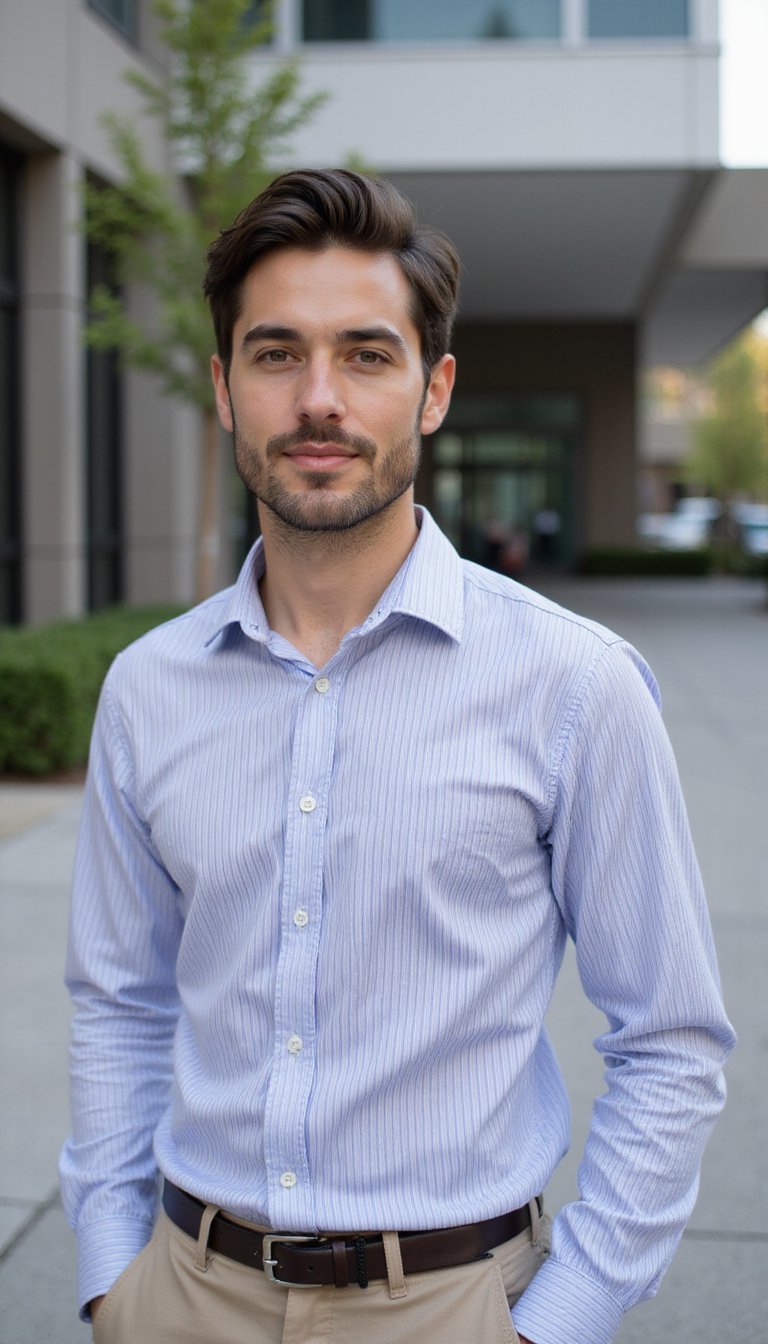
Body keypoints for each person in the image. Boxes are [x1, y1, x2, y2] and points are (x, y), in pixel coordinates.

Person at [60, 169, 735, 1344]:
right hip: (180, 1295)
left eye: (367, 355)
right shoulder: (149, 688)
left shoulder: (572, 684)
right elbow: (119, 1002)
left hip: (449, 1307)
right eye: (276, 355)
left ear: (434, 391)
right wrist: (115, 1272)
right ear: (223, 390)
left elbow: (669, 1041)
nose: (319, 399)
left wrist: (557, 1321)